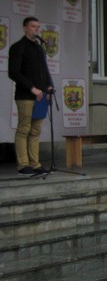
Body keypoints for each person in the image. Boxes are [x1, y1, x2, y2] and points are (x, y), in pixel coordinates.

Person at [8, 17, 53, 176]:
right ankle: (23, 165)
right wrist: (32, 88)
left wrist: (48, 87)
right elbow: (13, 72)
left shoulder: (39, 49)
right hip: (26, 96)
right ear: (25, 28)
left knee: (36, 131)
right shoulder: (18, 47)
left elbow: (44, 71)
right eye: (33, 26)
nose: (36, 29)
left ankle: (35, 163)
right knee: (24, 129)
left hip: (41, 97)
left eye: (38, 26)